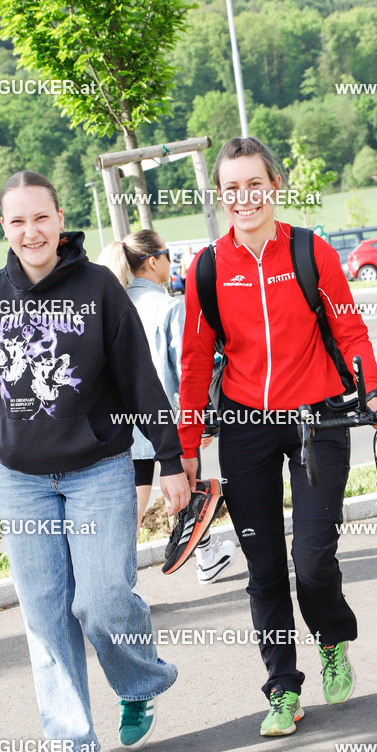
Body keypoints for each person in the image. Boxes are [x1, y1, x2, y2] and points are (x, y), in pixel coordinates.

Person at [0, 170, 190, 752]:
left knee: (103, 598)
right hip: (22, 479)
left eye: (41, 217)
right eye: (17, 221)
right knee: (44, 612)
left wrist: (170, 459)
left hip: (98, 470)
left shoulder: (98, 288)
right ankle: (71, 741)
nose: (30, 231)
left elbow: (140, 377)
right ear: (4, 227)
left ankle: (139, 682)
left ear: (60, 220)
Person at [177, 136, 377, 737]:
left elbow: (349, 331)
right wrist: (187, 445)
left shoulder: (310, 250)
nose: (244, 197)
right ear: (219, 196)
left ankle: (332, 640)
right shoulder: (207, 268)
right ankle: (282, 687)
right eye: (232, 188)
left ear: (274, 186)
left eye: (255, 184)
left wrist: (373, 390)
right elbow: (194, 363)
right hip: (245, 426)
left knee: (314, 558)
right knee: (265, 565)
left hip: (316, 416)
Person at [98, 232, 236, 584]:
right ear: (152, 261)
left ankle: (121, 581)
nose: (171, 262)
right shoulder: (170, 308)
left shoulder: (112, 303)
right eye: (167, 254)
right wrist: (205, 420)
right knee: (186, 489)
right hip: (171, 420)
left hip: (125, 424)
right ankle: (204, 558)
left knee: (132, 507)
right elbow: (190, 370)